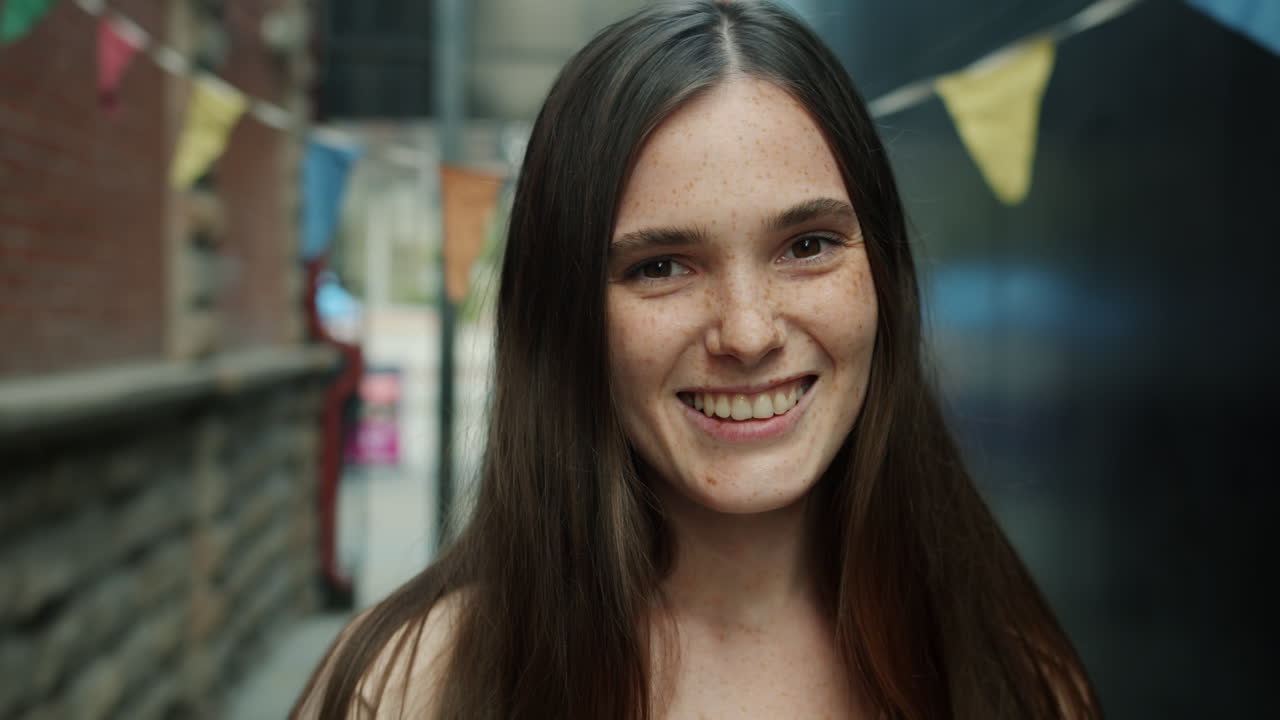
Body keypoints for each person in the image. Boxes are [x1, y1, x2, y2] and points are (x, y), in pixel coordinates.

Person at [293, 1, 1100, 718]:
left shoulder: (1011, 678)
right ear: (564, 316)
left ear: (883, 275)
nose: (747, 333)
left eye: (807, 246)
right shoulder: (405, 693)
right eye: (661, 266)